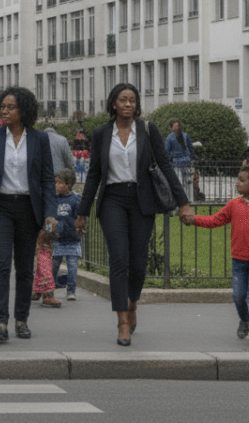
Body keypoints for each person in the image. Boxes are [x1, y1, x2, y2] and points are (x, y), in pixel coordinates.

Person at [77, 83, 192, 346]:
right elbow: (94, 174)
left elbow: (165, 166)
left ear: (136, 105)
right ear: (114, 104)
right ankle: (122, 322)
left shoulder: (148, 130)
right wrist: (82, 213)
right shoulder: (102, 133)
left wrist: (183, 202)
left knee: (138, 263)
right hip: (112, 201)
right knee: (119, 260)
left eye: (132, 100)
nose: (128, 104)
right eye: (123, 99)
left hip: (142, 201)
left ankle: (132, 303)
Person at [0, 86, 58, 343]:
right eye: (2, 107)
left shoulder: (39, 139)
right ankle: (1, 323)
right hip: (0, 209)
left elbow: (48, 180)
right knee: (0, 263)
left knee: (25, 268)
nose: (4, 111)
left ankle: (21, 320)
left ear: (24, 110)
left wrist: (50, 213)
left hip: (29, 209)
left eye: (10, 107)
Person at [185, 164, 249, 347]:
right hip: (238, 259)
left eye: (241, 180)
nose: (237, 183)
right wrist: (194, 219)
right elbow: (214, 220)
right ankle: (244, 319)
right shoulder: (234, 205)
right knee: (238, 295)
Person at [50, 168, 82, 303]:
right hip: (57, 239)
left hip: (72, 239)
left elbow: (79, 218)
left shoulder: (75, 200)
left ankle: (71, 290)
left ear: (68, 185)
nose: (56, 185)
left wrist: (78, 228)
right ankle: (49, 289)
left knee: (72, 265)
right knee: (53, 265)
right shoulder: (53, 199)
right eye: (55, 182)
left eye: (59, 183)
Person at [165, 120, 199, 200]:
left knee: (182, 183)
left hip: (180, 162)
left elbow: (166, 151)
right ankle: (184, 200)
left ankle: (183, 200)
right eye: (174, 125)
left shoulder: (173, 137)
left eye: (176, 125)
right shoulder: (182, 136)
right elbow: (191, 149)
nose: (175, 127)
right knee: (184, 183)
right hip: (181, 162)